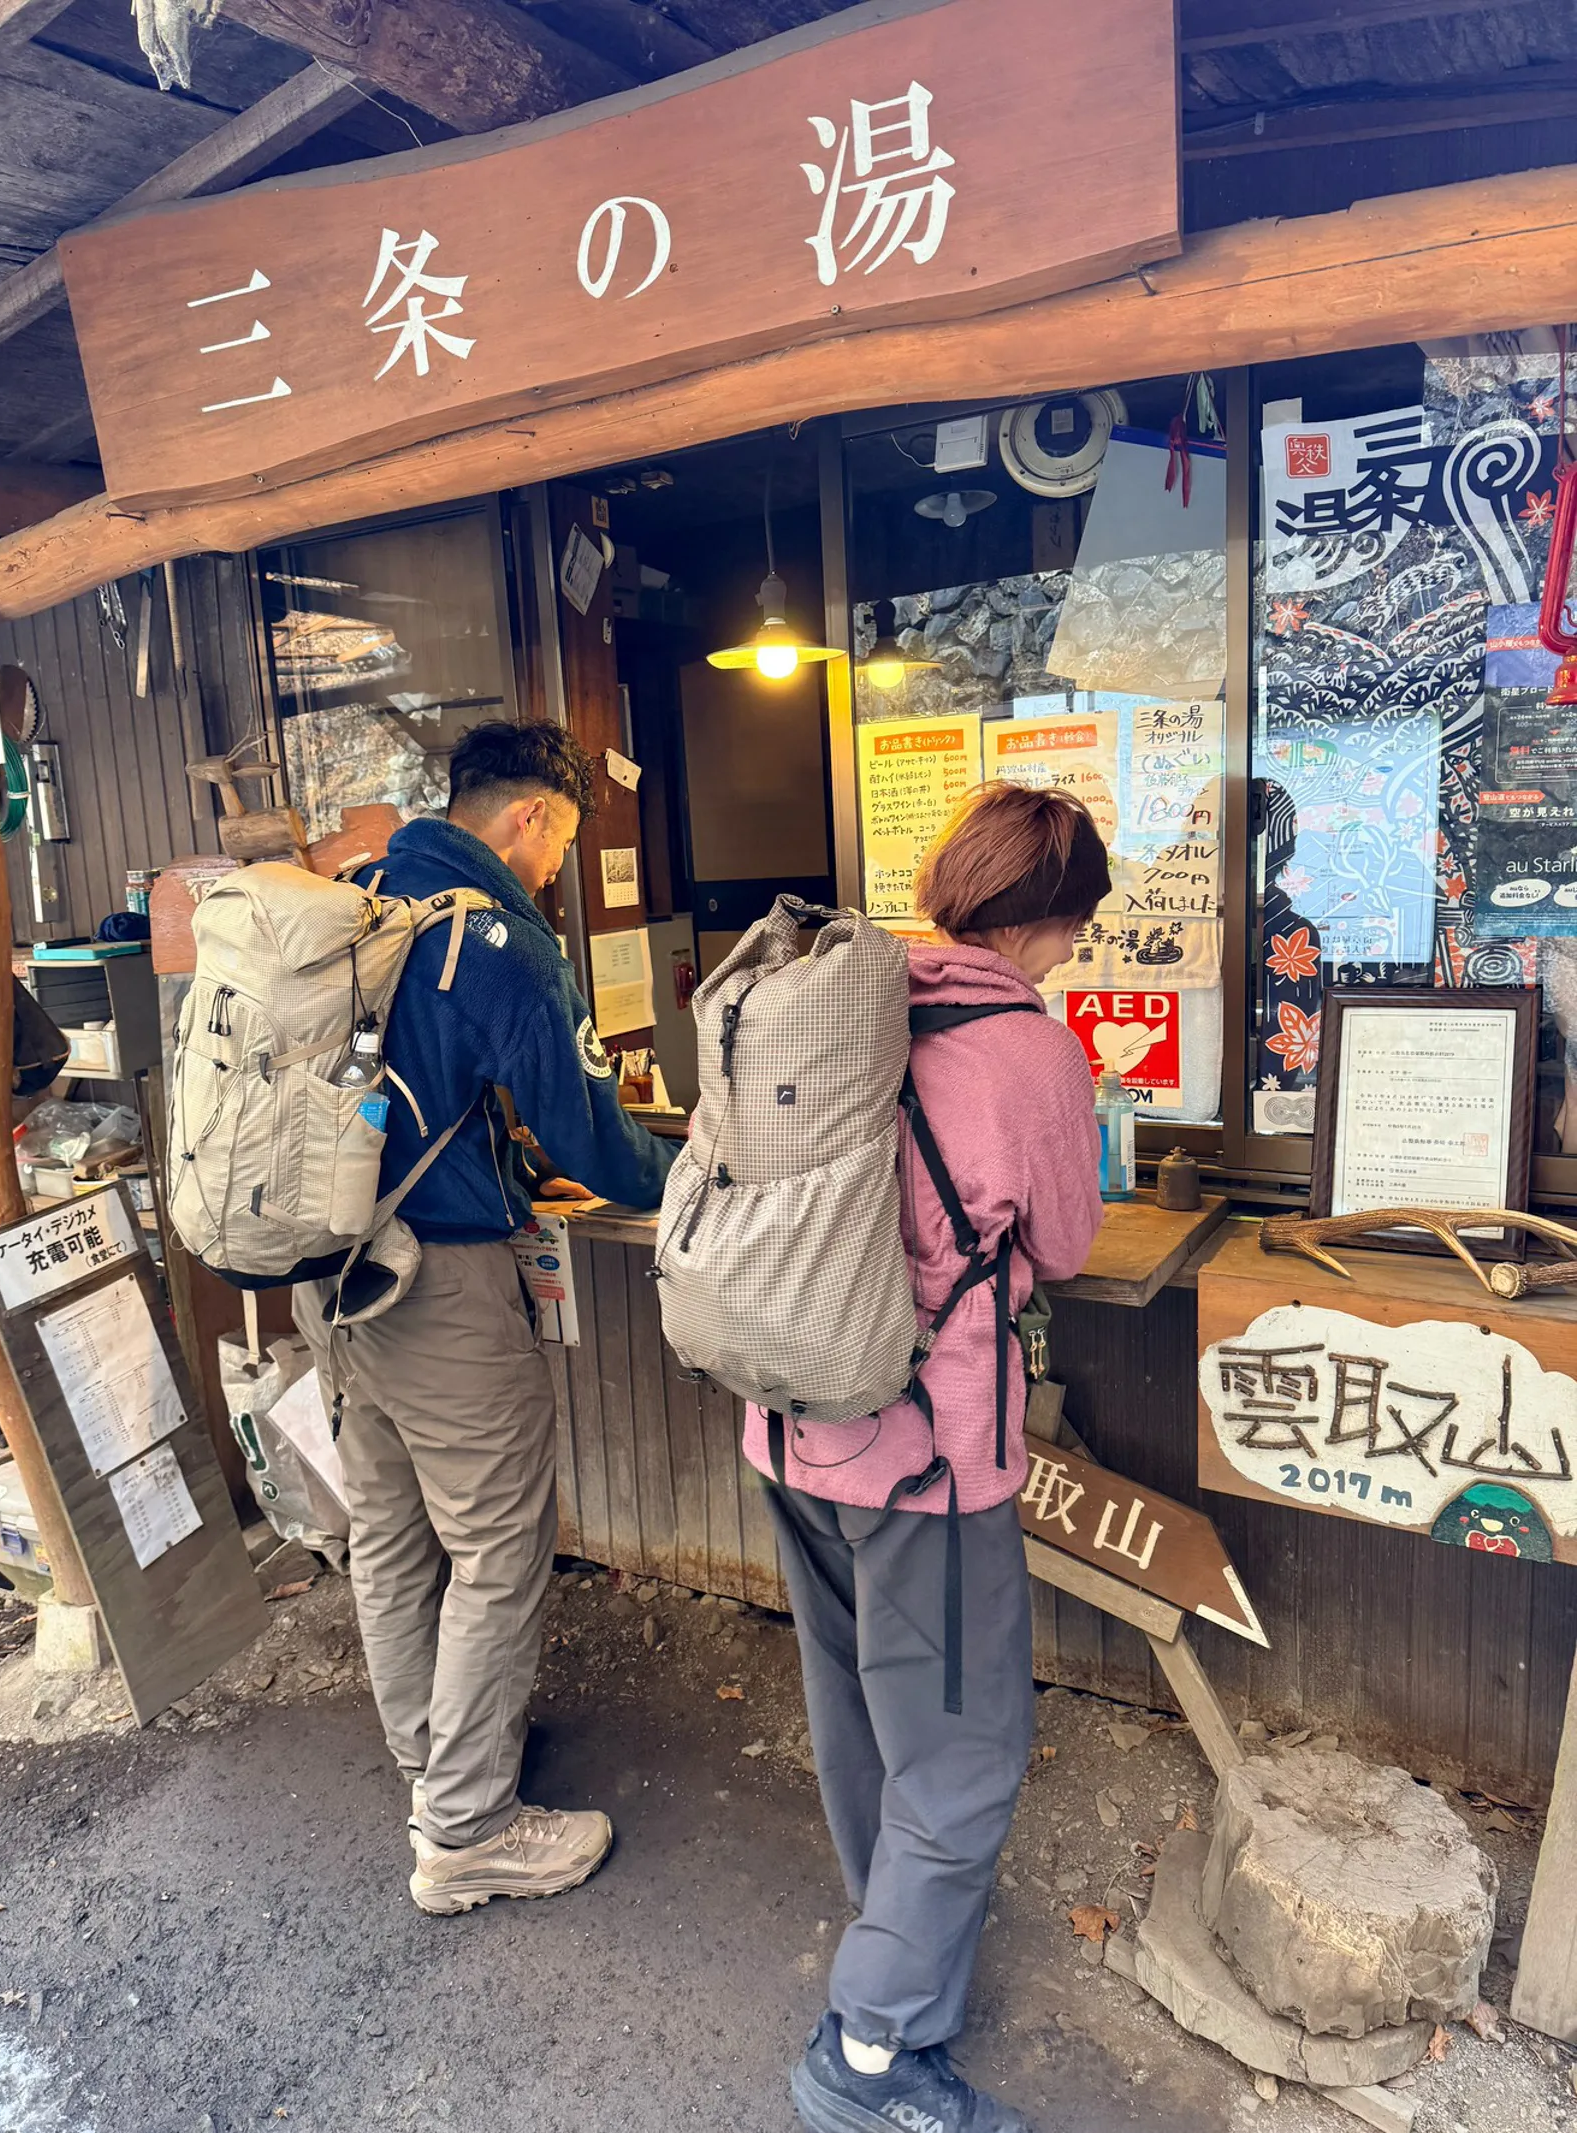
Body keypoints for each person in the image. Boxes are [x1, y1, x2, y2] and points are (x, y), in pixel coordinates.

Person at [747, 781, 1110, 2133]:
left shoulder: (838, 1000)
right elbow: (1062, 1242)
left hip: (790, 1422)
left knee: (861, 1708)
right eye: (1074, 926)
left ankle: (895, 1935)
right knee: (965, 1751)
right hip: (925, 1459)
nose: (1072, 951)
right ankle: (872, 2052)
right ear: (1042, 920)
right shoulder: (1027, 1051)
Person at [294, 720, 676, 1916]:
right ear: (531, 818)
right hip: (437, 1282)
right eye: (559, 848)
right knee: (499, 1548)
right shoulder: (496, 938)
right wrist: (697, 1180)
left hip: (326, 1273)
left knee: (389, 1531)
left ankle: (434, 1755)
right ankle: (466, 1832)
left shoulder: (355, 897)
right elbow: (591, 1135)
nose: (555, 872)